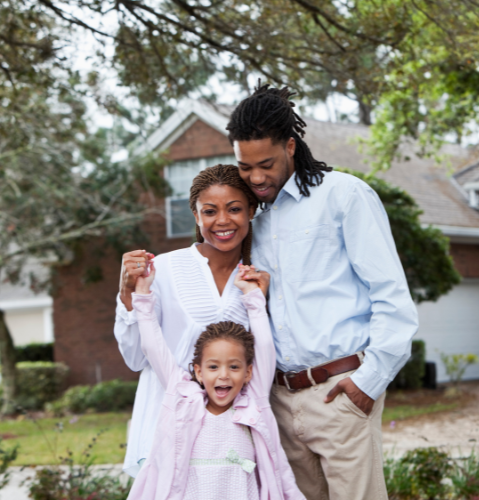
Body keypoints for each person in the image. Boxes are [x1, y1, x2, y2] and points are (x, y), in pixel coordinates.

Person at [225, 83, 420, 500]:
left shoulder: (343, 196)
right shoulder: (250, 216)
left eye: (267, 164)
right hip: (278, 399)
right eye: (245, 167)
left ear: (291, 146)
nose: (256, 177)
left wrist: (367, 383)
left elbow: (392, 296)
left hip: (340, 392)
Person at [114, 164, 269, 477]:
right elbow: (134, 359)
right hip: (168, 426)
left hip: (231, 436)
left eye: (235, 209)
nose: (222, 221)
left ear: (251, 211)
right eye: (209, 211)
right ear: (196, 217)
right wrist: (127, 293)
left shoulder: (258, 277)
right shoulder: (164, 270)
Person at [126, 263, 305, 500]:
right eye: (213, 367)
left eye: (234, 366)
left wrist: (253, 297)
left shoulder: (253, 403)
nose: (223, 375)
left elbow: (264, 347)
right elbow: (152, 347)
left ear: (248, 373)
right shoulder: (183, 398)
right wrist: (143, 294)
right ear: (198, 372)